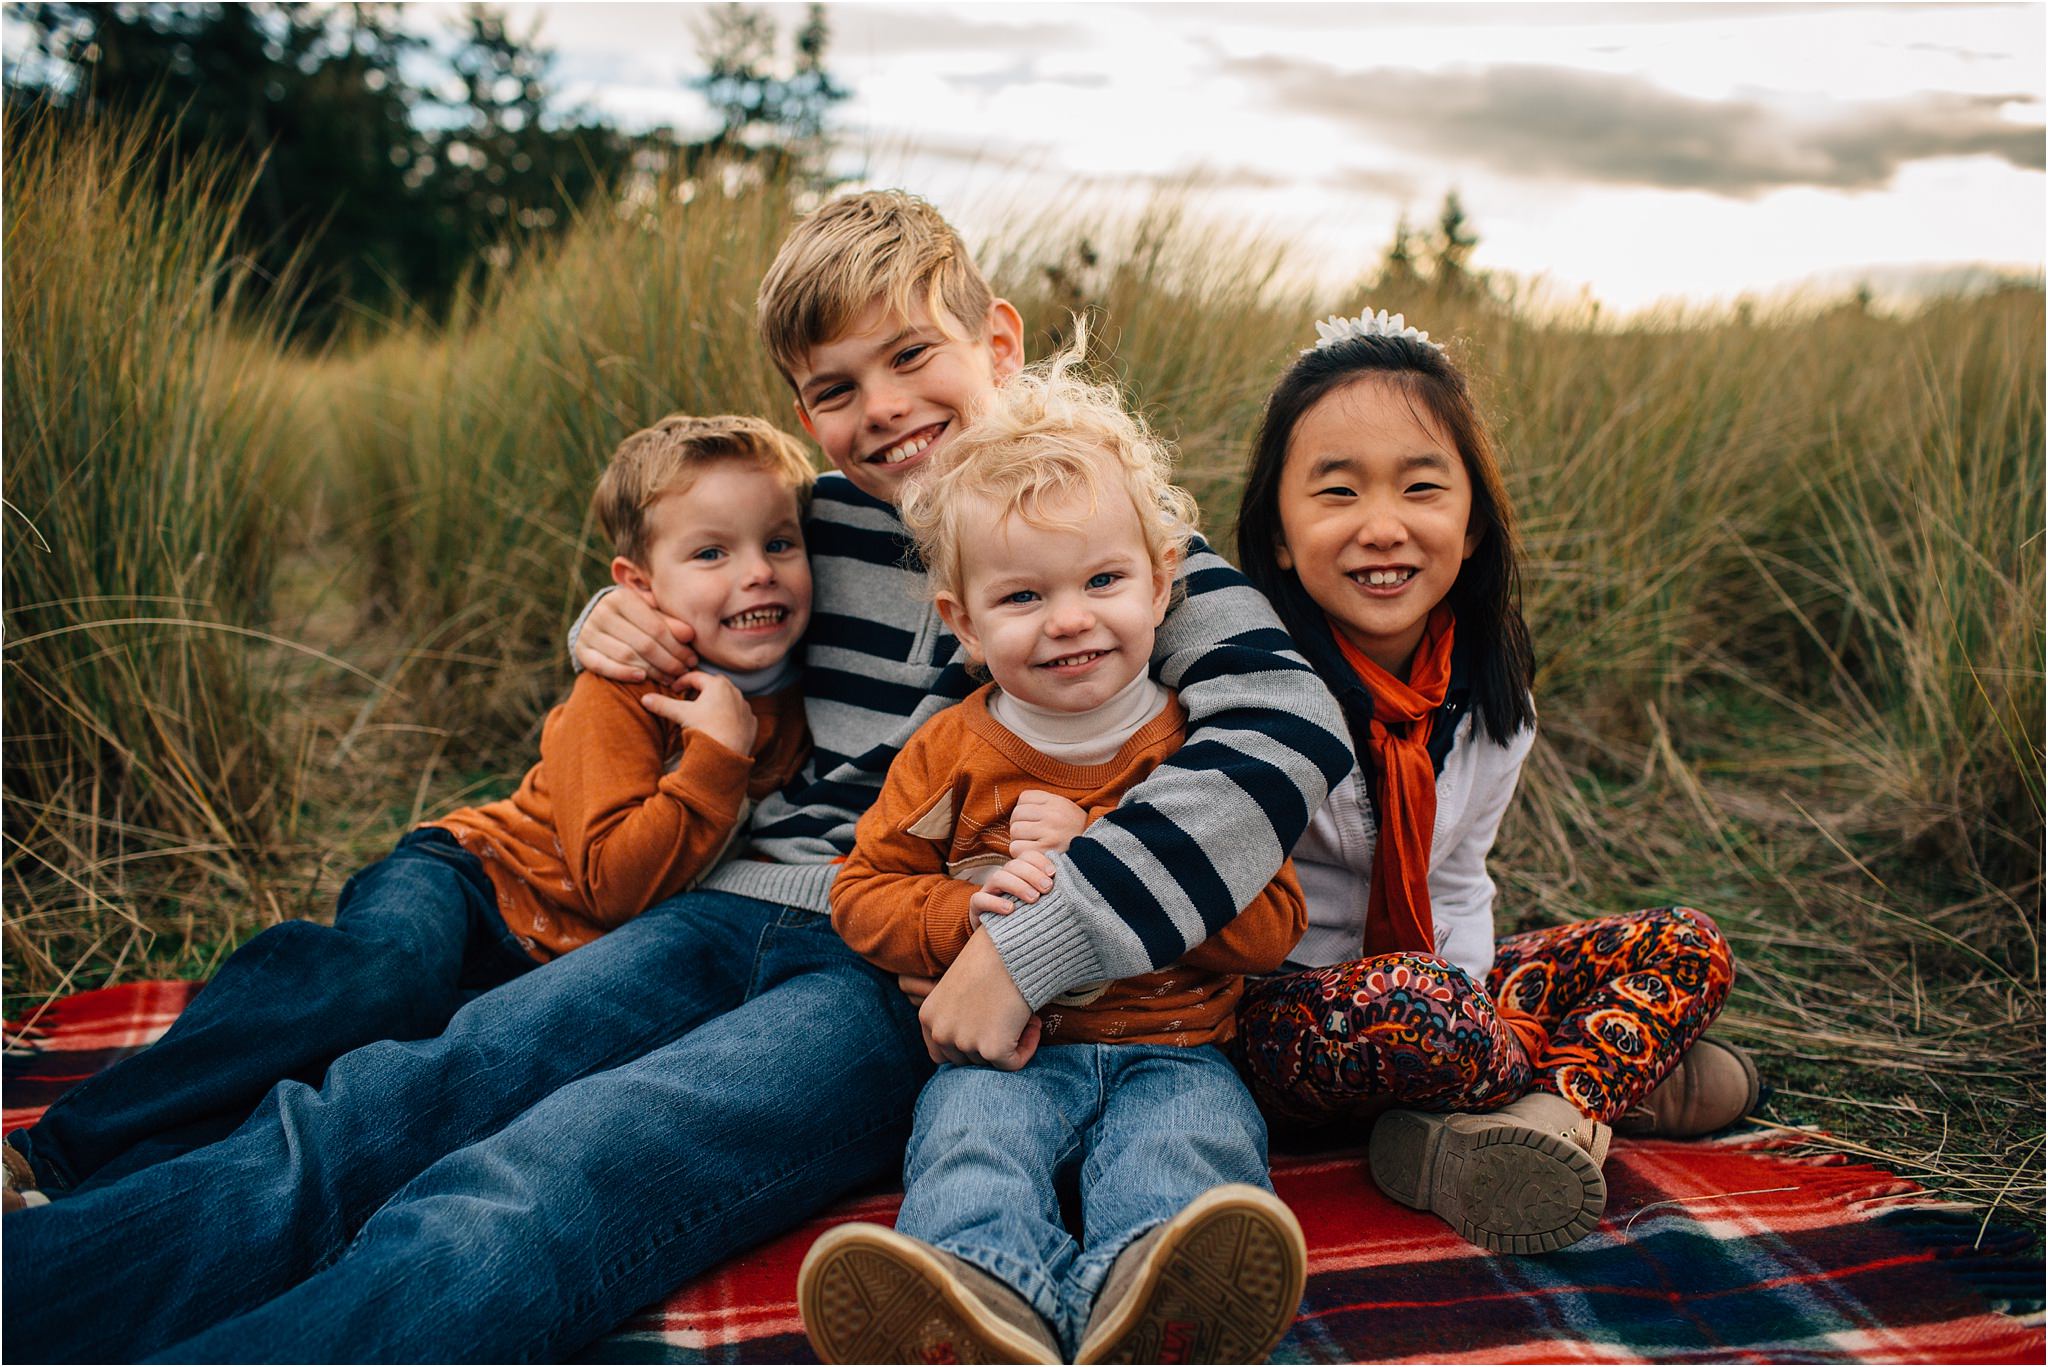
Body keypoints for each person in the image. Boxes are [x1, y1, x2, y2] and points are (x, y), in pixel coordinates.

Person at [1, 192, 1351, 1363]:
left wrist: (1041, 939)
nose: (881, 408)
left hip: (897, 976)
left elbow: (1285, 733)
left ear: (997, 339)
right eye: (835, 387)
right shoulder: (812, 525)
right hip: (719, 905)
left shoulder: (1110, 542)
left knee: (558, 1171)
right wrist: (608, 632)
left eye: (911, 355)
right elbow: (678, 583)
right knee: (405, 1093)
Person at [1, 413, 813, 1213]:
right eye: (712, 551)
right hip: (473, 880)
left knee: (374, 1080)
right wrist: (716, 760)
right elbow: (612, 884)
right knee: (375, 977)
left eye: (780, 542)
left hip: (543, 965)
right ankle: (55, 1150)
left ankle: (85, 1207)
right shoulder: (625, 689)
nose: (759, 573)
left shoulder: (816, 692)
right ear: (637, 584)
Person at [804, 355, 1309, 1365]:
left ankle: (1153, 1294)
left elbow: (1272, 926)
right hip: (1010, 1047)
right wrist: (963, 913)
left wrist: (1107, 858)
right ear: (964, 621)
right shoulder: (950, 750)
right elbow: (860, 892)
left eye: (1103, 580)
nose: (1069, 618)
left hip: (1177, 1045)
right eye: (1023, 595)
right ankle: (978, 1295)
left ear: (1162, 581)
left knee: (1188, 1151)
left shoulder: (1190, 748)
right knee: (968, 1141)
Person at [1229, 310, 1754, 1256]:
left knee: (1689, 942)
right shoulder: (1245, 685)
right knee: (1420, 1000)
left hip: (1447, 993)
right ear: (1276, 530)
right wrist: (1455, 1006)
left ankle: (1530, 1118)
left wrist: (1476, 998)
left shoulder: (1489, 694)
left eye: (1422, 487)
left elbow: (1460, 881)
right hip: (1283, 1022)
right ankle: (1603, 1084)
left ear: (1470, 526)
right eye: (1337, 492)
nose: (1382, 526)